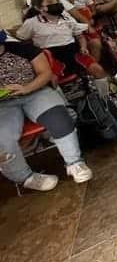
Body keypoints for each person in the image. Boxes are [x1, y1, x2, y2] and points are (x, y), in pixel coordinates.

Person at [0, 29, 93, 191]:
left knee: (58, 118)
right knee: (2, 139)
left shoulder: (23, 49)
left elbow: (45, 74)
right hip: (4, 104)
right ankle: (25, 177)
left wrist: (26, 88)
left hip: (35, 91)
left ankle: (74, 163)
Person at [17, 0, 111, 98]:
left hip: (73, 51)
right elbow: (22, 39)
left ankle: (105, 99)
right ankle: (65, 106)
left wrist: (83, 47)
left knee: (97, 70)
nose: (56, 4)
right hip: (51, 57)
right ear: (39, 8)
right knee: (52, 80)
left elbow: (79, 36)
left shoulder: (66, 18)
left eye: (56, 1)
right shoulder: (31, 23)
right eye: (50, 2)